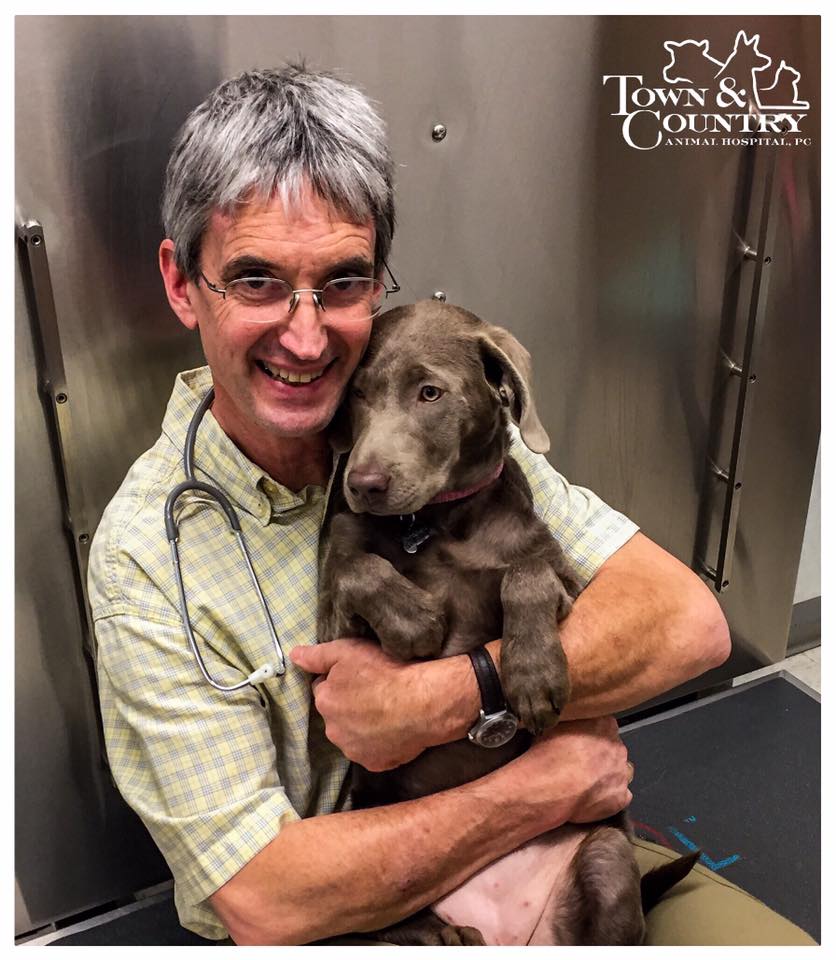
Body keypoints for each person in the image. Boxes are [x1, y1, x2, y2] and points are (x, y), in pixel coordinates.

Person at [87, 64, 814, 946]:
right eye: (256, 281)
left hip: (571, 856)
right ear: (180, 282)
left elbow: (686, 626)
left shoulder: (453, 442)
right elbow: (268, 900)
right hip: (373, 910)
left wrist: (452, 692)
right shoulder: (143, 561)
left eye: (343, 282)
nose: (307, 335)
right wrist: (541, 788)